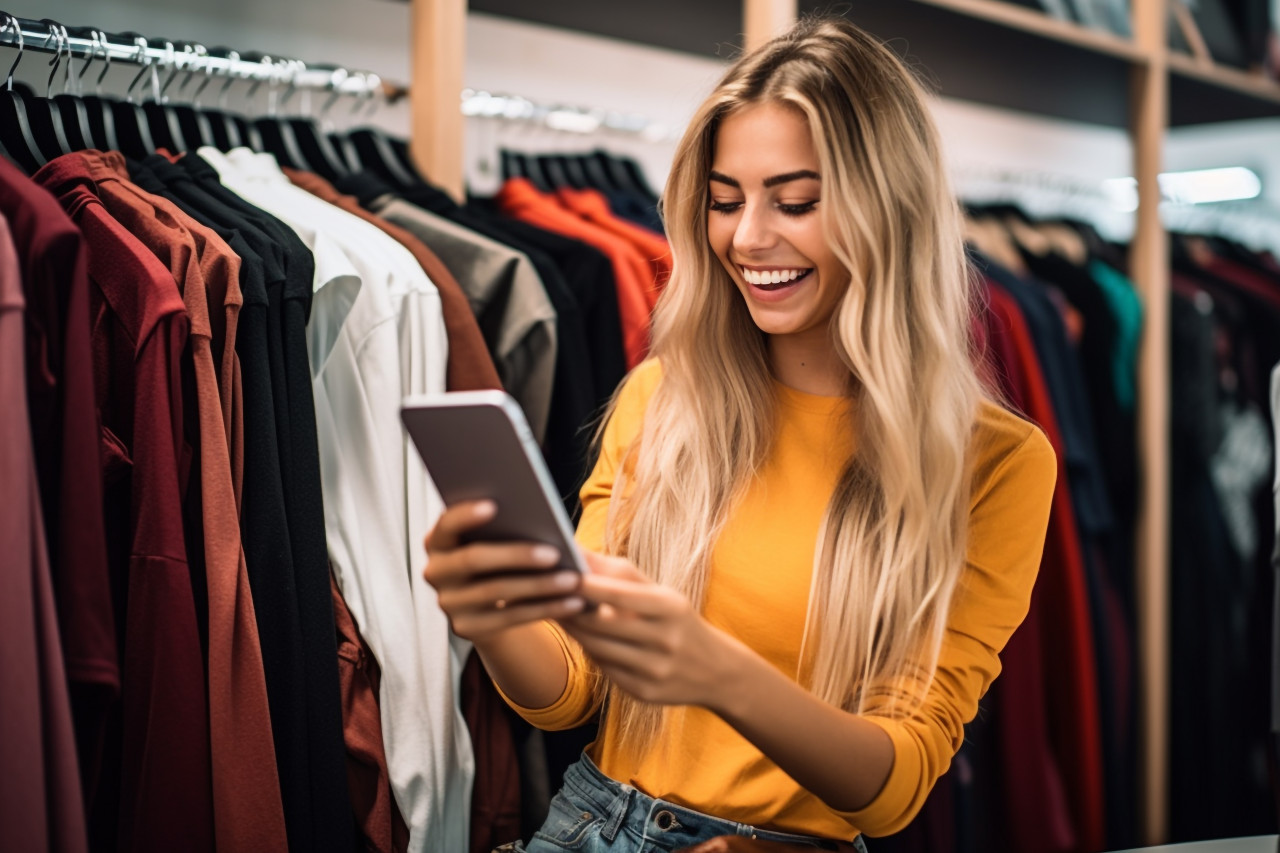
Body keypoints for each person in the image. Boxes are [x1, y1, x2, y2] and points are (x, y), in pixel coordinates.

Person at [423, 15, 1056, 853]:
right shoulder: (666, 398)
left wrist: (714, 670)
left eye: (795, 201)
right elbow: (569, 691)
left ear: (889, 209)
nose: (748, 237)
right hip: (587, 821)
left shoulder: (993, 463)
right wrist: (491, 614)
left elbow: (895, 784)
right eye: (725, 201)